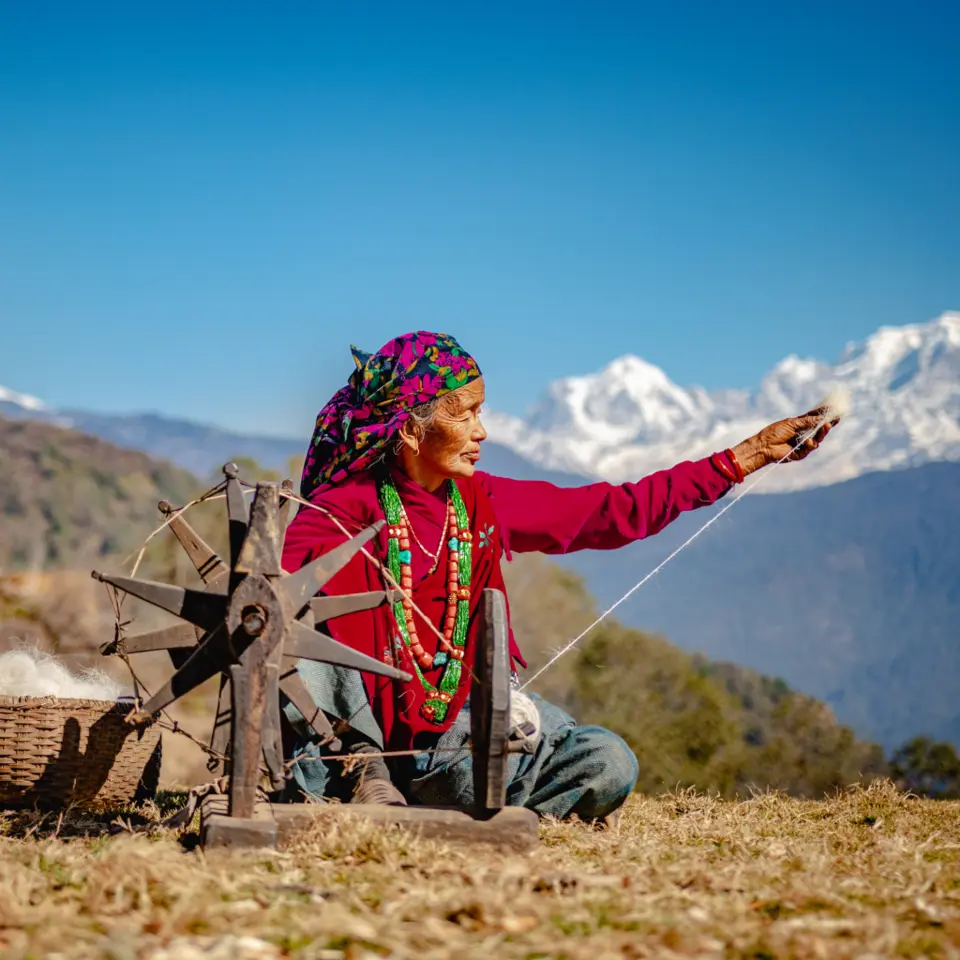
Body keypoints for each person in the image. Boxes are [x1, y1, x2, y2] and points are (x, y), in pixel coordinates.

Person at [280, 331, 836, 822]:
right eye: (464, 413)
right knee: (298, 637)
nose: (482, 430)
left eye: (481, 411)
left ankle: (450, 798)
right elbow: (269, 614)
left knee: (608, 763)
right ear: (409, 431)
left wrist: (748, 455)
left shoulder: (481, 501)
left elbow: (614, 511)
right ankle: (371, 777)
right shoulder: (339, 511)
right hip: (353, 744)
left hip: (455, 731)